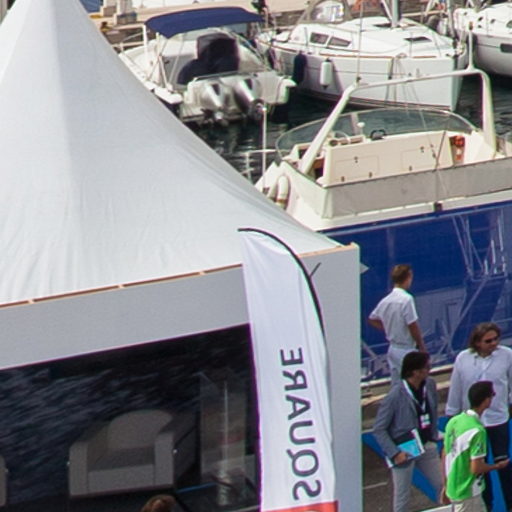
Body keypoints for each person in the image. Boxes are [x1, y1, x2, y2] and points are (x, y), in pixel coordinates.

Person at [445, 322, 512, 512]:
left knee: (504, 464)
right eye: (488, 341)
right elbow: (456, 388)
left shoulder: (507, 355)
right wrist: (452, 416)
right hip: (472, 423)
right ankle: (485, 505)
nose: (494, 343)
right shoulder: (463, 359)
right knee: (478, 466)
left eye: (496, 339)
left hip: (498, 419)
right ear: (477, 342)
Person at [373, 351, 442, 512]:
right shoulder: (395, 395)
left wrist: (433, 435)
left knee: (443, 485)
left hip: (426, 444)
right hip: (405, 450)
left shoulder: (429, 384)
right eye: (427, 367)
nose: (430, 370)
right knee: (402, 497)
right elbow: (379, 429)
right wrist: (395, 453)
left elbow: (432, 409)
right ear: (415, 371)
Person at [443, 381, 510, 512]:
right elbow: (476, 468)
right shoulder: (477, 430)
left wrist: (446, 484)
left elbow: (445, 454)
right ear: (486, 400)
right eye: (492, 395)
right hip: (468, 491)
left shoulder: (454, 421)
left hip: (454, 488)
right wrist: (497, 466)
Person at [368, 264, 426, 383]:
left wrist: (388, 327)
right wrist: (421, 346)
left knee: (396, 384)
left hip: (393, 348)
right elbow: (412, 325)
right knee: (413, 383)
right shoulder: (407, 299)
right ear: (408, 277)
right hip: (407, 349)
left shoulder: (386, 301)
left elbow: (372, 319)